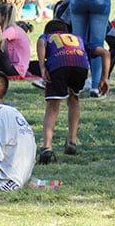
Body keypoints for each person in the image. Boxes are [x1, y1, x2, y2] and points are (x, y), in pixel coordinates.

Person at [36, 20, 110, 164]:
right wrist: (104, 78)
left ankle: (47, 147)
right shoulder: (78, 39)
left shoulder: (47, 37)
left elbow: (41, 42)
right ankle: (72, 141)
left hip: (58, 65)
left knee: (53, 105)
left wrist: (42, 67)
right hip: (80, 66)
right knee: (74, 98)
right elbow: (105, 52)